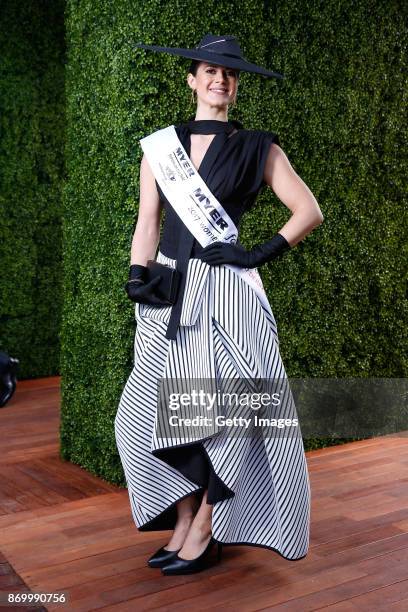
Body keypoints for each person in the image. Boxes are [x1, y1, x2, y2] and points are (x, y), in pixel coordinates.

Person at [115, 34, 323, 576]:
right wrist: (139, 272)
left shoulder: (258, 146)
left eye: (229, 74)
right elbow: (148, 218)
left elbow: (308, 210)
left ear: (235, 85)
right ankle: (183, 519)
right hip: (168, 291)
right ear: (192, 79)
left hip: (229, 294)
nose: (219, 80)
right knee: (146, 416)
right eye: (210, 70)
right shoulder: (160, 147)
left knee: (226, 414)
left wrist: (256, 253)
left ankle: (206, 528)